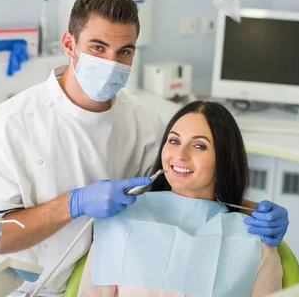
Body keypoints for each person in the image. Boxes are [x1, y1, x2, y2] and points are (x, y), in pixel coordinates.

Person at [0, 0, 289, 296]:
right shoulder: (4, 128)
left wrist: (252, 211)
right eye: (98, 47)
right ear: (68, 44)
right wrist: (73, 203)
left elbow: (183, 186)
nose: (110, 63)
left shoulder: (145, 126)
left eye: (124, 51)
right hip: (27, 289)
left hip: (117, 278)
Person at [77, 101, 283, 297]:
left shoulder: (254, 242)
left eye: (199, 146)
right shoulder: (120, 222)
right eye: (174, 141)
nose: (180, 155)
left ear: (224, 158)